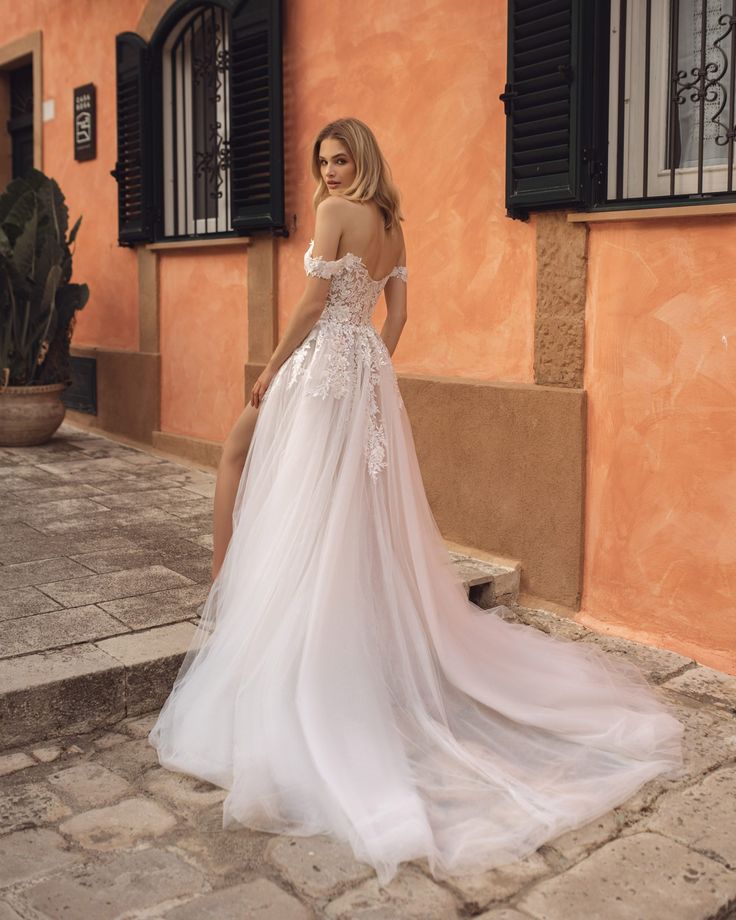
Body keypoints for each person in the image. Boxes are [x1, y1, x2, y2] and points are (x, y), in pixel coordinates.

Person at [148, 117, 685, 888]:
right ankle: (253, 588)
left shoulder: (336, 216)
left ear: (361, 159)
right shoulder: (394, 225)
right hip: (363, 369)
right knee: (336, 506)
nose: (329, 173)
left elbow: (306, 308)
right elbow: (397, 318)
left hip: (322, 364)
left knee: (261, 464)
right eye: (322, 162)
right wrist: (371, 366)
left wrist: (273, 369)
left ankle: (231, 582)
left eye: (339, 159)